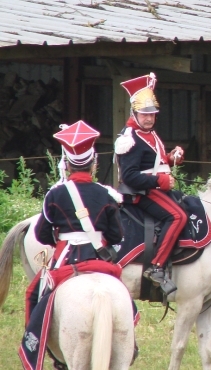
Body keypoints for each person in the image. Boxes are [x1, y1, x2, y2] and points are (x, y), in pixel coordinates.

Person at [22, 121, 130, 369]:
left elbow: (41, 233)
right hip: (99, 260)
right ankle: (129, 344)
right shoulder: (107, 194)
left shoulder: (55, 194)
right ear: (94, 163)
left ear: (67, 165)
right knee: (121, 296)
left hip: (65, 259)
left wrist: (58, 240)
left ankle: (37, 345)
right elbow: (116, 235)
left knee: (34, 294)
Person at [114, 72, 186, 295]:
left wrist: (172, 158)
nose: (149, 118)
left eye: (152, 114)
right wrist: (160, 180)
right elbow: (130, 176)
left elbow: (156, 162)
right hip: (140, 192)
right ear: (134, 113)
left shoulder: (150, 134)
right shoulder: (129, 139)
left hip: (153, 187)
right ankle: (156, 267)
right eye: (144, 114)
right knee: (178, 216)